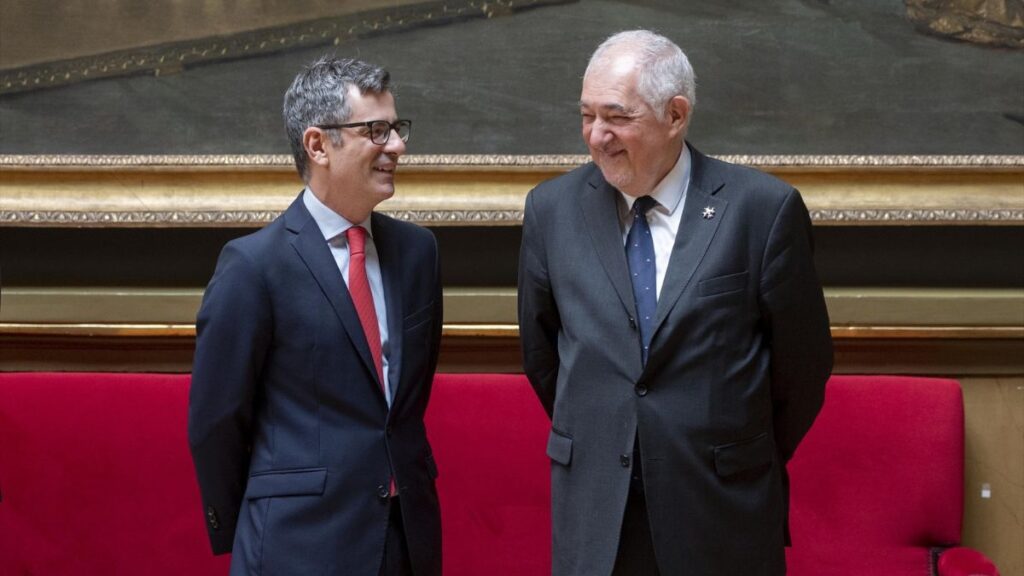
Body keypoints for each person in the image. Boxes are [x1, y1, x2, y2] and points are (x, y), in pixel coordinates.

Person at [517, 30, 833, 576]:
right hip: (597, 511)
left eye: (617, 117)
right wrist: (610, 429)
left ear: (676, 115)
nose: (597, 136)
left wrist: (728, 449)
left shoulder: (761, 210)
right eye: (587, 115)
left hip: (719, 508)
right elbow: (543, 353)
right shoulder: (552, 209)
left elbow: (802, 367)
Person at [188, 56, 442, 576]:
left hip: (405, 540)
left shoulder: (418, 253)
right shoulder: (253, 266)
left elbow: (405, 407)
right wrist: (263, 518)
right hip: (295, 544)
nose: (397, 145)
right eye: (376, 130)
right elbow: (216, 423)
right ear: (318, 145)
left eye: (396, 128)